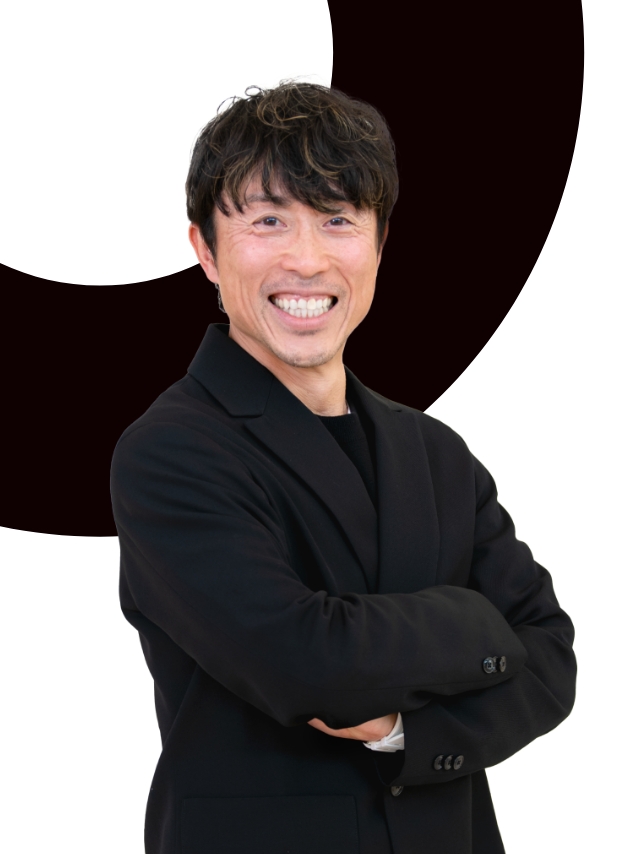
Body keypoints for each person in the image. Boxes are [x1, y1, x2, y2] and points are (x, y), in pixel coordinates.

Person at [110, 82, 576, 854]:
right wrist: (477, 624)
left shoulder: (435, 451)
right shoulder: (171, 452)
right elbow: (306, 663)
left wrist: (402, 730)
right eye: (267, 220)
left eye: (337, 219)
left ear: (380, 244)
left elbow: (551, 657)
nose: (306, 259)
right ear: (205, 250)